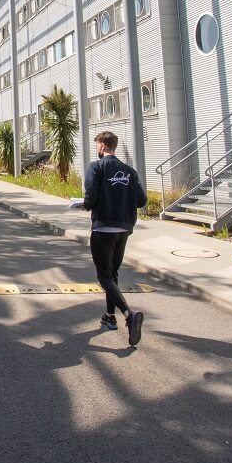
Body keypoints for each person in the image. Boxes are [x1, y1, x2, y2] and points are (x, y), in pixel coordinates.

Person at [81, 131, 147, 345]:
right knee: (113, 274)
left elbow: (90, 198)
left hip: (102, 228)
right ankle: (110, 316)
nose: (97, 149)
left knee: (104, 277)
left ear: (101, 146)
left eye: (97, 145)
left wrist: (86, 204)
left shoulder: (96, 167)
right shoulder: (130, 171)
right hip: (123, 229)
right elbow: (141, 200)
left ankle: (129, 314)